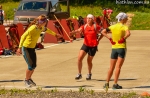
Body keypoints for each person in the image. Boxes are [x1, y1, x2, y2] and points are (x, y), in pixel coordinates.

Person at [16, 14, 62, 87]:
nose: (46, 23)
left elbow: (47, 30)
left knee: (34, 65)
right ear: (41, 22)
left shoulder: (41, 27)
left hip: (32, 48)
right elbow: (23, 36)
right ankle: (26, 80)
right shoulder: (33, 28)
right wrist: (19, 47)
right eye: (45, 22)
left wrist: (55, 35)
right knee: (30, 66)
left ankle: (29, 78)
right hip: (26, 48)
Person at [101, 12, 131, 89]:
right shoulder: (124, 27)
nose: (127, 19)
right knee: (118, 67)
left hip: (114, 48)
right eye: (126, 18)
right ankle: (115, 84)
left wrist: (110, 38)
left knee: (111, 67)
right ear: (123, 19)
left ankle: (106, 83)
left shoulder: (112, 26)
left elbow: (103, 32)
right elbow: (128, 33)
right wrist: (123, 38)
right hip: (121, 48)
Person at [70, 14, 103, 80]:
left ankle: (89, 73)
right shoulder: (84, 26)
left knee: (89, 61)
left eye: (90, 18)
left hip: (93, 46)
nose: (88, 19)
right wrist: (73, 32)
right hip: (85, 44)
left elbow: (103, 32)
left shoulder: (96, 26)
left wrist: (98, 40)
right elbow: (79, 30)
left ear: (93, 20)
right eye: (87, 18)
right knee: (79, 58)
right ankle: (79, 74)